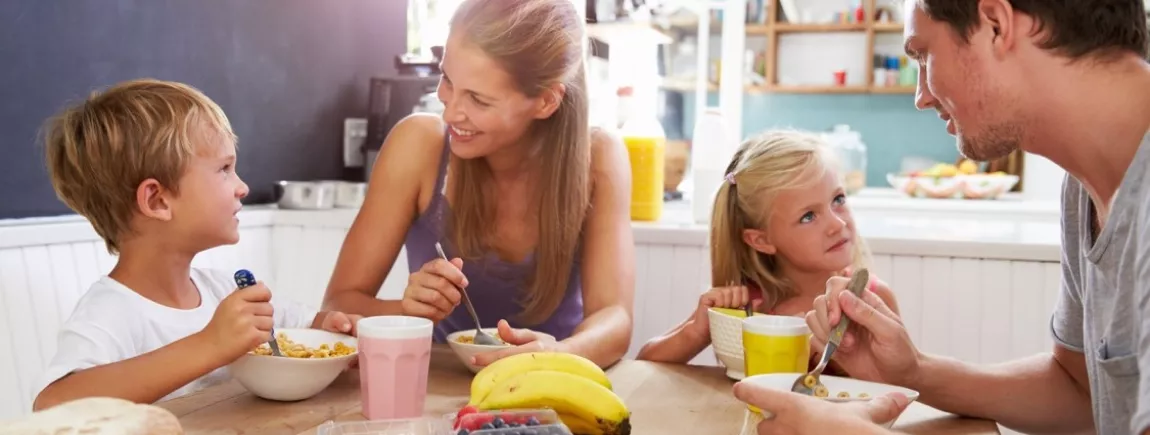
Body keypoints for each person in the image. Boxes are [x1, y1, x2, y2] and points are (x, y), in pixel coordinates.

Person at [733, 0, 1150, 433]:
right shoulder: (1084, 189)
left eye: (922, 53)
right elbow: (1078, 392)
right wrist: (913, 373)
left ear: (994, 24)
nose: (921, 96)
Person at [320, 0, 635, 369]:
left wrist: (557, 356)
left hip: (555, 384)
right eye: (447, 80)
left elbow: (616, 320)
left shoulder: (599, 158)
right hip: (435, 388)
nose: (451, 112)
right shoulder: (419, 145)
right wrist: (408, 312)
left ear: (546, 101)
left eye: (479, 99)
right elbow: (338, 305)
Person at [32, 79, 360, 411]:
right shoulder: (111, 312)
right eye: (224, 169)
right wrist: (210, 345)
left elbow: (305, 326)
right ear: (158, 200)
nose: (242, 187)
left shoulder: (223, 289)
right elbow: (52, 405)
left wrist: (332, 326)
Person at [635, 130, 899, 367]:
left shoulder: (872, 301)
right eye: (808, 216)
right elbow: (644, 364)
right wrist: (697, 330)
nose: (838, 223)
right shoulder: (749, 308)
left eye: (838, 199)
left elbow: (902, 383)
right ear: (761, 241)